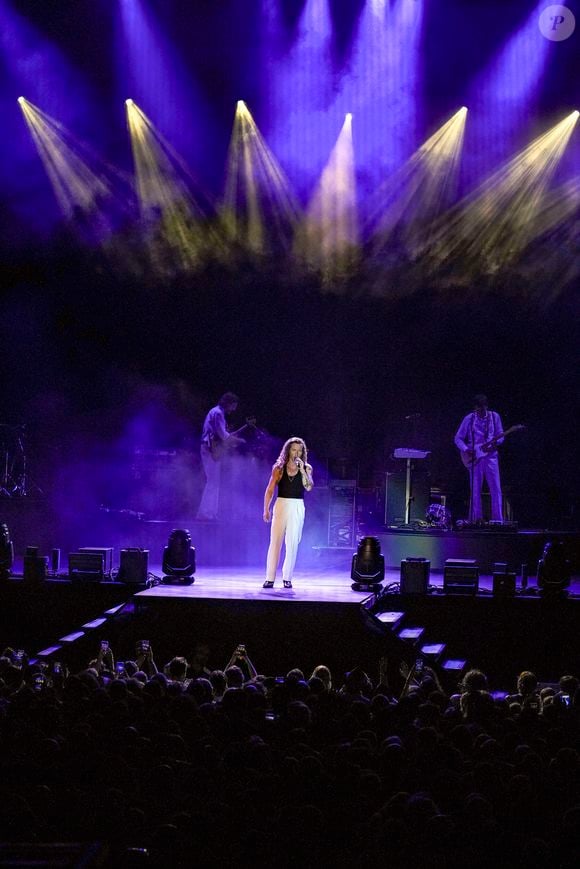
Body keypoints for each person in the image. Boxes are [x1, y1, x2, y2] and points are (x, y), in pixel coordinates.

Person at [263, 437, 313, 589]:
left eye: (299, 450)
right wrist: (266, 509)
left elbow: (309, 487)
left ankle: (287, 578)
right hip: (281, 504)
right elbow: (270, 489)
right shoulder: (279, 468)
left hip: (297, 506)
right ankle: (270, 578)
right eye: (293, 450)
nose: (296, 453)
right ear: (288, 450)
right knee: (275, 542)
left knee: (292, 543)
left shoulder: (307, 468)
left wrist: (302, 470)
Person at [454, 395, 504, 523]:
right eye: (478, 409)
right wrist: (466, 449)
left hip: (491, 457)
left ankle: (498, 521)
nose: (480, 412)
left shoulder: (495, 417)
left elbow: (501, 436)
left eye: (482, 409)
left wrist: (496, 443)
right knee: (475, 490)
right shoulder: (469, 418)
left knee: (496, 489)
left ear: (486, 406)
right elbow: (458, 438)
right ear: (475, 408)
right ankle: (476, 520)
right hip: (475, 458)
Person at [197, 392, 244, 521]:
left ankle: (210, 513)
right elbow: (223, 435)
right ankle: (205, 513)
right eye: (233, 406)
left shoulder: (216, 412)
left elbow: (221, 434)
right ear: (228, 403)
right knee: (212, 482)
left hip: (211, 448)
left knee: (214, 482)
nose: (233, 409)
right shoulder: (218, 413)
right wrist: (238, 440)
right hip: (209, 448)